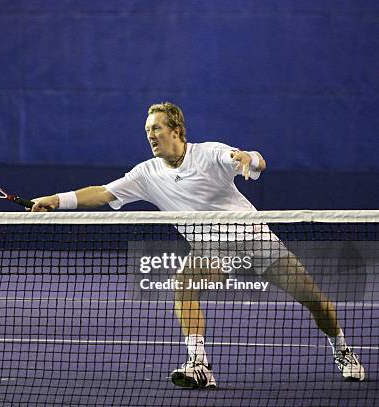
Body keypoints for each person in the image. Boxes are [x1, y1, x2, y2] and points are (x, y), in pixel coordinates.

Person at [30, 102, 365, 387]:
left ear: (176, 130)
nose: (150, 135)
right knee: (184, 285)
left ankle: (342, 350)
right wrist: (57, 200)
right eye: (147, 129)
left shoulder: (208, 154)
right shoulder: (146, 174)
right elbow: (103, 193)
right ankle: (199, 365)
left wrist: (249, 159)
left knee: (316, 301)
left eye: (156, 128)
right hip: (211, 252)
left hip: (255, 241)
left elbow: (248, 158)